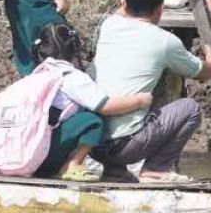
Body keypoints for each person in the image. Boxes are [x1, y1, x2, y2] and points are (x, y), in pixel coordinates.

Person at [90, 0, 211, 183]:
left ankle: (114, 170)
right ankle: (155, 168)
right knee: (190, 108)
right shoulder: (165, 42)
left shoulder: (109, 24)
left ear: (125, 3)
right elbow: (203, 72)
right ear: (160, 9)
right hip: (127, 147)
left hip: (92, 143)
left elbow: (127, 4)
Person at [30, 24, 154, 182]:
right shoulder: (71, 76)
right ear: (74, 51)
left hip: (26, 157)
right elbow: (106, 107)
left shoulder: (34, 76)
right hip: (45, 160)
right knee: (93, 119)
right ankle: (72, 164)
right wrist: (139, 100)